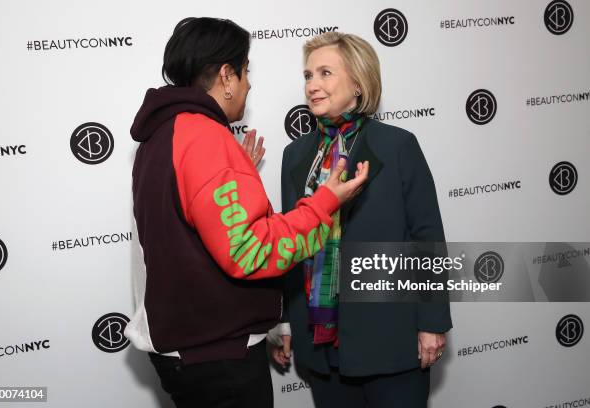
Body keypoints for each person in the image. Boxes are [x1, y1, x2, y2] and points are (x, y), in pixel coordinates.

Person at [124, 18, 369, 408]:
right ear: (226, 76)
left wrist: (235, 180)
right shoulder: (203, 136)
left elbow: (189, 222)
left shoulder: (166, 133)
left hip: (191, 353)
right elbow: (249, 252)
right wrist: (324, 203)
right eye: (245, 71)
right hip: (217, 357)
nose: (249, 83)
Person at [272, 32, 452, 408]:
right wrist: (287, 319)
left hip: (390, 337)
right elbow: (290, 242)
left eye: (325, 73)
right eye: (308, 75)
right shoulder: (295, 155)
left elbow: (427, 238)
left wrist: (432, 322)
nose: (312, 85)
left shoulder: (397, 145)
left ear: (358, 82)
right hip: (321, 343)